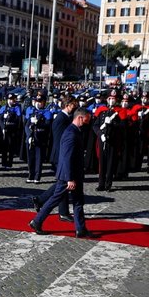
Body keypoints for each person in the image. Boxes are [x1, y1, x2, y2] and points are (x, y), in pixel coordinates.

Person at [29, 108, 97, 238]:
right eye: (87, 119)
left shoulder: (76, 131)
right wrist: (69, 179)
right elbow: (67, 157)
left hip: (75, 174)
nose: (88, 121)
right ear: (80, 118)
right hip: (68, 176)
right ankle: (36, 221)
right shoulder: (71, 133)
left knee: (78, 201)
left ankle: (80, 229)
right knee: (55, 199)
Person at [24, 92, 52, 184]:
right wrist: (28, 135)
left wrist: (39, 123)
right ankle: (31, 175)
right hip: (31, 139)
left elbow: (47, 125)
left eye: (40, 101)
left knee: (39, 159)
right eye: (37, 101)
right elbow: (26, 125)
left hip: (40, 138)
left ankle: (37, 176)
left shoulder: (47, 113)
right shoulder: (32, 112)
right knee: (30, 158)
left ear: (44, 102)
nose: (38, 103)